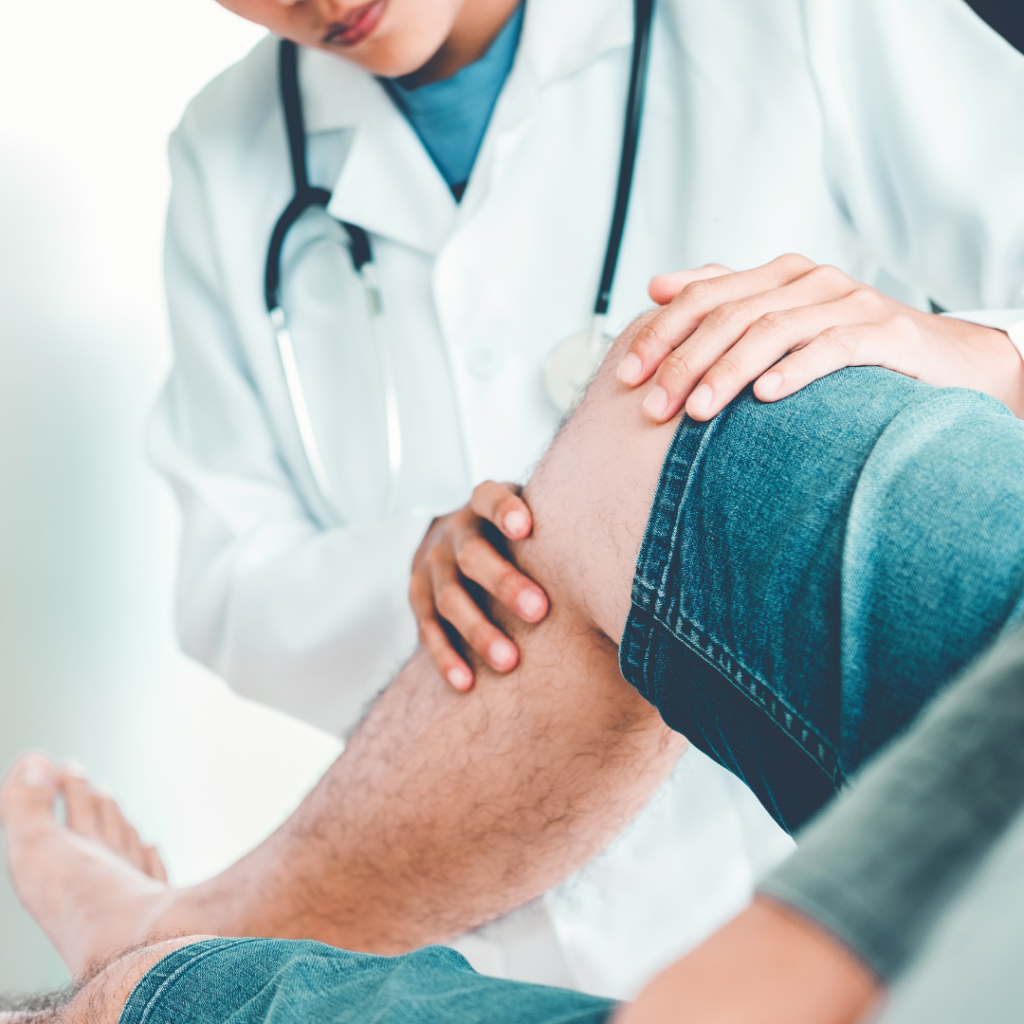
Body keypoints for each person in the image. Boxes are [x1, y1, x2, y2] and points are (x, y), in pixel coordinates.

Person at [151, 0, 1024, 984]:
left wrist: (979, 348)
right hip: (476, 914)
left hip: (818, 873)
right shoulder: (225, 149)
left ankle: (148, 932)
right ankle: (153, 939)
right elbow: (225, 569)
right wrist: (426, 568)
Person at [7, 310, 1024, 1012]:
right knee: (679, 402)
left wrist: (818, 934)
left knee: (132, 1011)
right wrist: (996, 353)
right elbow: (233, 568)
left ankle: (164, 950)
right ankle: (196, 929)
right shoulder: (226, 150)